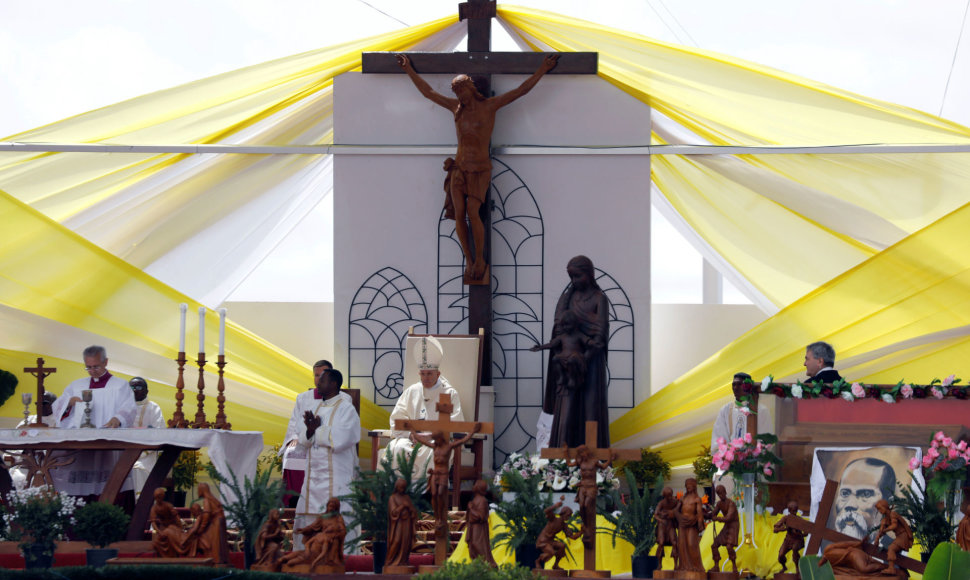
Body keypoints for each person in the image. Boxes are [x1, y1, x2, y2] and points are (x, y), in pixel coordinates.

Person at [396, 52, 559, 282]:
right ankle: (469, 261)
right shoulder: (456, 109)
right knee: (459, 215)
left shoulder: (490, 106)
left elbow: (520, 91)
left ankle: (480, 259)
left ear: (470, 88)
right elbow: (429, 93)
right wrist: (408, 70)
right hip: (459, 169)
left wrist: (543, 69)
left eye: (462, 90)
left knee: (474, 212)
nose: (460, 96)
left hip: (480, 169)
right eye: (456, 92)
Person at [539, 255, 611, 449]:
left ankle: (593, 458)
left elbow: (601, 334)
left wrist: (583, 359)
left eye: (578, 276)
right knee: (567, 409)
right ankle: (562, 458)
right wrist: (570, 360)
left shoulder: (599, 299)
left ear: (589, 274)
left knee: (590, 408)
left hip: (591, 362)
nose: (574, 281)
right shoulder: (568, 298)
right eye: (571, 277)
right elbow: (559, 328)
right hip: (569, 366)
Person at [50, 345, 137, 500]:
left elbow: (129, 408)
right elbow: (57, 407)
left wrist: (118, 418)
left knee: (108, 479)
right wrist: (69, 403)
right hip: (81, 445)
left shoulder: (120, 385)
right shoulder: (76, 385)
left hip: (108, 444)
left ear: (106, 362)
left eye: (96, 366)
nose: (92, 371)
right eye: (88, 367)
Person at [291, 367, 360, 549]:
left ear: (334, 383)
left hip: (336, 478)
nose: (318, 383)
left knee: (338, 516)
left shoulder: (346, 409)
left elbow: (344, 437)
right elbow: (303, 438)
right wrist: (309, 430)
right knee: (308, 516)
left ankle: (342, 557)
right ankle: (305, 556)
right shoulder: (315, 407)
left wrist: (317, 430)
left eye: (322, 380)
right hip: (313, 480)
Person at [385, 336, 462, 476]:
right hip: (412, 440)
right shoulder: (412, 391)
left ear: (438, 374)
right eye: (422, 374)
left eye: (429, 374)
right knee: (396, 448)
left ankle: (425, 494)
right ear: (419, 374)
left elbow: (456, 425)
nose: (425, 378)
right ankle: (399, 492)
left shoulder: (449, 393)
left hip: (436, 442)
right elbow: (396, 420)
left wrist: (430, 436)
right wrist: (410, 435)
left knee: (430, 450)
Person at [280, 359, 332, 508]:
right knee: (291, 453)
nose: (318, 379)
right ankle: (293, 502)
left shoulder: (341, 398)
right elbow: (294, 421)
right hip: (304, 439)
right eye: (316, 375)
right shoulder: (303, 398)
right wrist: (294, 437)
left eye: (322, 375)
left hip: (327, 441)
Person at [829, 457, 896, 545]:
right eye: (845, 493)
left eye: (866, 494)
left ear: (889, 504)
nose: (850, 505)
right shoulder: (822, 553)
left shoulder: (900, 555)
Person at [530, 310, 588, 393]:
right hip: (564, 356)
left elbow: (587, 341)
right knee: (555, 358)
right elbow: (551, 345)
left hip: (575, 357)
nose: (565, 327)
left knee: (572, 360)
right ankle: (561, 376)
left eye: (567, 325)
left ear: (574, 324)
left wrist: (594, 343)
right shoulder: (562, 336)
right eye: (563, 325)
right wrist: (540, 347)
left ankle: (572, 378)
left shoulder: (578, 335)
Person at [711, 372, 772, 450]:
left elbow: (766, 437)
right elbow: (718, 437)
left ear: (748, 387)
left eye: (739, 384)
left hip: (753, 459)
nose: (735, 388)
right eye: (734, 384)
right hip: (732, 459)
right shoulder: (725, 410)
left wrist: (751, 453)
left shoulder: (761, 410)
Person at [129, 376, 165, 497]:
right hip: (124, 453)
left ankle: (141, 507)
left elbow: (159, 433)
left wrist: (141, 453)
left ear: (147, 391)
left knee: (137, 469)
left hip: (147, 455)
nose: (134, 390)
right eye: (132, 387)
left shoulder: (154, 408)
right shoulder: (123, 409)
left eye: (138, 387)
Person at [535, 498, 582, 570]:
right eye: (568, 515)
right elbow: (546, 511)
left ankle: (555, 565)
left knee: (562, 546)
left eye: (569, 516)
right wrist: (555, 506)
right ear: (563, 513)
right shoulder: (553, 519)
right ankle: (538, 561)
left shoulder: (564, 525)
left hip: (551, 541)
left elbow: (572, 537)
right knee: (551, 553)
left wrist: (582, 531)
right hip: (543, 541)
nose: (568, 517)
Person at [674, 478, 707, 573]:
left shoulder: (697, 499)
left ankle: (697, 567)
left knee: (691, 544)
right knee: (681, 544)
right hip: (682, 524)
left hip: (692, 523)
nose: (688, 486)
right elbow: (676, 510)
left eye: (690, 485)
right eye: (687, 485)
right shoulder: (682, 498)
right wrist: (679, 517)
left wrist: (699, 522)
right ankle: (684, 566)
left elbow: (699, 512)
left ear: (694, 486)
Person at [873, 499, 913, 573]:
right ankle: (903, 570)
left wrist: (885, 530)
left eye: (880, 508)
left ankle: (891, 569)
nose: (879, 511)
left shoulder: (893, 514)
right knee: (897, 555)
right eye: (878, 509)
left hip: (903, 535)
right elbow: (881, 531)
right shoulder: (884, 520)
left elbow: (894, 526)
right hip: (899, 536)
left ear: (885, 507)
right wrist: (877, 539)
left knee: (891, 548)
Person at [386, 478, 418, 569]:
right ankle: (389, 561)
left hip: (407, 522)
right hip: (398, 523)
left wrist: (411, 510)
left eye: (404, 488)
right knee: (397, 541)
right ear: (397, 487)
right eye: (400, 487)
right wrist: (403, 506)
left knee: (406, 542)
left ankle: (403, 561)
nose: (402, 490)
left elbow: (413, 511)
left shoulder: (406, 497)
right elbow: (393, 512)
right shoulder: (392, 498)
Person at [708, 484, 740, 573]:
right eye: (719, 494)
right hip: (726, 526)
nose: (721, 495)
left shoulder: (731, 504)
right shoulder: (719, 503)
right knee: (714, 545)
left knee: (729, 547)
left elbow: (728, 517)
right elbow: (713, 513)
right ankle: (716, 566)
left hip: (733, 526)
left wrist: (717, 518)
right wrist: (704, 514)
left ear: (725, 492)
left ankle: (734, 567)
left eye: (722, 493)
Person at [149, 487, 189, 558]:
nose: (159, 499)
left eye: (160, 497)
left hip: (173, 526)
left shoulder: (168, 505)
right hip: (162, 528)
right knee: (156, 543)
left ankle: (173, 556)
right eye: (157, 497)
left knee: (171, 536)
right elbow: (153, 522)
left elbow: (176, 517)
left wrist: (181, 527)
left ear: (163, 496)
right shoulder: (154, 508)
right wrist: (159, 532)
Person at [466, 480, 497, 566]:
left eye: (475, 484)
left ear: (479, 488)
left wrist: (471, 509)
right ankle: (478, 564)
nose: (473, 486)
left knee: (478, 545)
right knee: (472, 545)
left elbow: (481, 516)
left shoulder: (482, 500)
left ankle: (486, 564)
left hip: (479, 528)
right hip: (473, 526)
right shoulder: (475, 499)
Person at [773, 500, 807, 573]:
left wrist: (799, 533)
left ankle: (797, 568)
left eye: (795, 510)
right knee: (781, 555)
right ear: (789, 510)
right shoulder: (786, 518)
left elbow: (806, 533)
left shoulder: (800, 519)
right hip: (788, 540)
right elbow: (775, 529)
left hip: (798, 540)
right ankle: (784, 567)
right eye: (792, 511)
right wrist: (784, 528)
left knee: (795, 549)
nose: (794, 512)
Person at [252, 508, 285, 572]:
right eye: (276, 514)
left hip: (272, 542)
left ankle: (273, 564)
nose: (278, 516)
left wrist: (280, 535)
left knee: (281, 557)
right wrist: (275, 534)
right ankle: (269, 562)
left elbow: (279, 538)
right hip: (265, 544)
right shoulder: (267, 524)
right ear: (271, 515)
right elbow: (264, 537)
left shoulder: (277, 524)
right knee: (274, 546)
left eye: (278, 514)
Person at [655, 487, 679, 569]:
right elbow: (655, 515)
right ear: (664, 495)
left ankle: (676, 565)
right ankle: (659, 564)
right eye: (667, 496)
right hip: (662, 525)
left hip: (671, 524)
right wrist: (661, 520)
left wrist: (673, 513)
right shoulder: (661, 503)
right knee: (661, 543)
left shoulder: (675, 502)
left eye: (670, 495)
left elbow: (678, 510)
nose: (669, 497)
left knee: (674, 543)